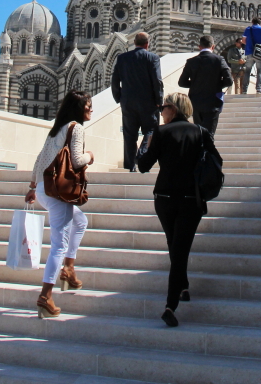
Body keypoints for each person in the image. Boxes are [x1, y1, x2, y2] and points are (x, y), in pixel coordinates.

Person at [138, 92, 218, 328]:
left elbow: (143, 166)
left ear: (173, 109)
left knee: (175, 245)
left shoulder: (160, 133)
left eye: (164, 107)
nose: (161, 111)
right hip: (189, 198)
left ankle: (171, 304)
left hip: (164, 198)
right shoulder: (202, 133)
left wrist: (148, 145)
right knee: (179, 248)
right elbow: (217, 162)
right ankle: (179, 289)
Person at [25, 91, 94, 319]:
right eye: (88, 106)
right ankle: (46, 296)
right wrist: (90, 156)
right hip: (58, 192)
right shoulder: (76, 128)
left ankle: (69, 269)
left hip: (45, 189)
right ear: (80, 108)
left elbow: (40, 157)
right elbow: (76, 160)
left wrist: (33, 187)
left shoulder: (58, 127)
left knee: (80, 221)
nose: (91, 109)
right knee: (58, 245)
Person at [110, 31, 163, 172]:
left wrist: (119, 97)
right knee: (151, 130)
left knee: (129, 135)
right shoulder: (153, 58)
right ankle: (142, 153)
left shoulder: (122, 58)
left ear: (134, 43)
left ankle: (130, 165)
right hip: (149, 103)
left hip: (127, 103)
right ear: (147, 44)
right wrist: (159, 100)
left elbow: (115, 80)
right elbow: (157, 81)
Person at [178, 35, 233, 134]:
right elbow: (229, 81)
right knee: (209, 134)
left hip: (195, 102)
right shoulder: (219, 60)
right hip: (213, 102)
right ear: (213, 46)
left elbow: (182, 82)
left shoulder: (191, 61)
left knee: (199, 134)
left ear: (200, 47)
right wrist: (216, 84)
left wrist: (196, 84)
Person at [241, 18, 261, 93]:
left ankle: (244, 90)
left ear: (252, 22)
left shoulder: (248, 29)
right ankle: (258, 89)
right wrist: (260, 46)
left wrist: (249, 45)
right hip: (259, 54)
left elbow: (243, 41)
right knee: (259, 72)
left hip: (249, 53)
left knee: (247, 71)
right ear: (260, 23)